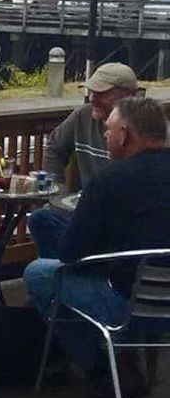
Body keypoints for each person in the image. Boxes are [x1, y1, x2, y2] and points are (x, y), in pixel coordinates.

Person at [24, 96, 170, 398]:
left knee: (39, 273)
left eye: (109, 130)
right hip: (160, 293)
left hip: (126, 303)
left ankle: (103, 365)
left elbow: (70, 254)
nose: (104, 135)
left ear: (125, 135)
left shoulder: (109, 180)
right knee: (46, 221)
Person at [28, 63, 139, 259]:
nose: (92, 98)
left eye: (102, 93)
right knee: (41, 219)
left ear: (128, 96)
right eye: (91, 91)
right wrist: (57, 191)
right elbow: (54, 147)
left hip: (123, 221)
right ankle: (63, 272)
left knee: (37, 273)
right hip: (84, 211)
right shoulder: (82, 116)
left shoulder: (145, 128)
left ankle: (71, 275)